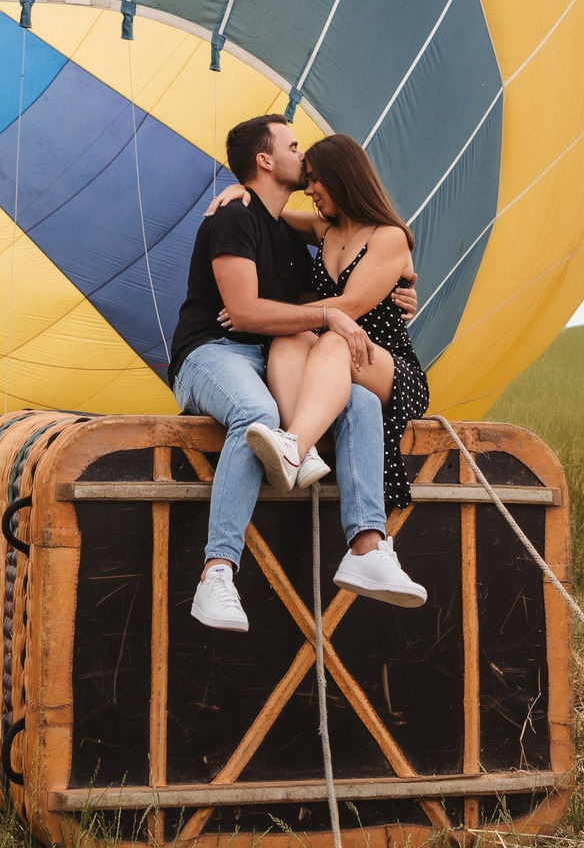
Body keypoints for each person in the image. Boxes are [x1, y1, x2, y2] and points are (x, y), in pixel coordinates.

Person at [169, 114, 426, 633]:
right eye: (293, 151)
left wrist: (397, 292)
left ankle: (367, 546)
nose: (307, 174)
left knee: (362, 402)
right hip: (214, 352)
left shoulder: (298, 235)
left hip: (350, 358)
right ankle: (217, 570)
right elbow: (244, 312)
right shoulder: (239, 217)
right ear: (265, 161)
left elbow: (347, 301)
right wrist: (229, 192)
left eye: (316, 176)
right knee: (257, 406)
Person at [212, 133, 433, 517]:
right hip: (338, 357)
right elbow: (268, 210)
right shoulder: (324, 230)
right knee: (292, 334)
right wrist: (241, 190)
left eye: (316, 179)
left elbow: (348, 306)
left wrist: (261, 311)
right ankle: (306, 451)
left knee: (333, 338)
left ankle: (292, 448)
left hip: (389, 369)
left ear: (343, 177)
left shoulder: (390, 237)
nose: (309, 189)